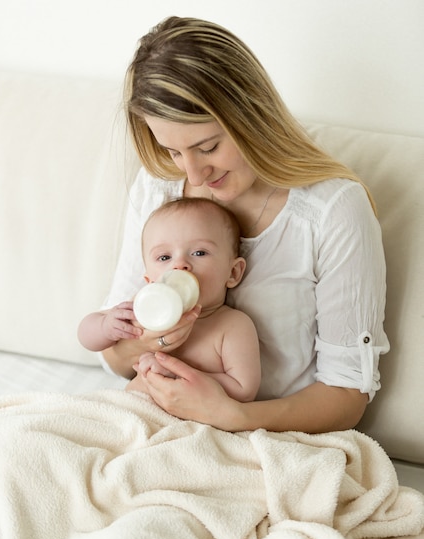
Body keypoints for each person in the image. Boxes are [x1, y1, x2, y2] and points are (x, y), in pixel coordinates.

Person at [100, 16, 389, 433]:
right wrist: (151, 340)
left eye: (208, 147)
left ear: (249, 113)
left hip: (265, 438)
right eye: (175, 152)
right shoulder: (159, 188)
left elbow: (347, 394)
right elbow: (113, 355)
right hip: (154, 423)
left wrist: (229, 415)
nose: (194, 176)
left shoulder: (333, 212)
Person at [78, 197, 261, 402]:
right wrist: (105, 326)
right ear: (149, 280)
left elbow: (243, 390)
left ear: (233, 272)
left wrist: (174, 374)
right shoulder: (143, 310)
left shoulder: (233, 326)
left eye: (199, 252)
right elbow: (85, 336)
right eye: (164, 257)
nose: (180, 264)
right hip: (134, 410)